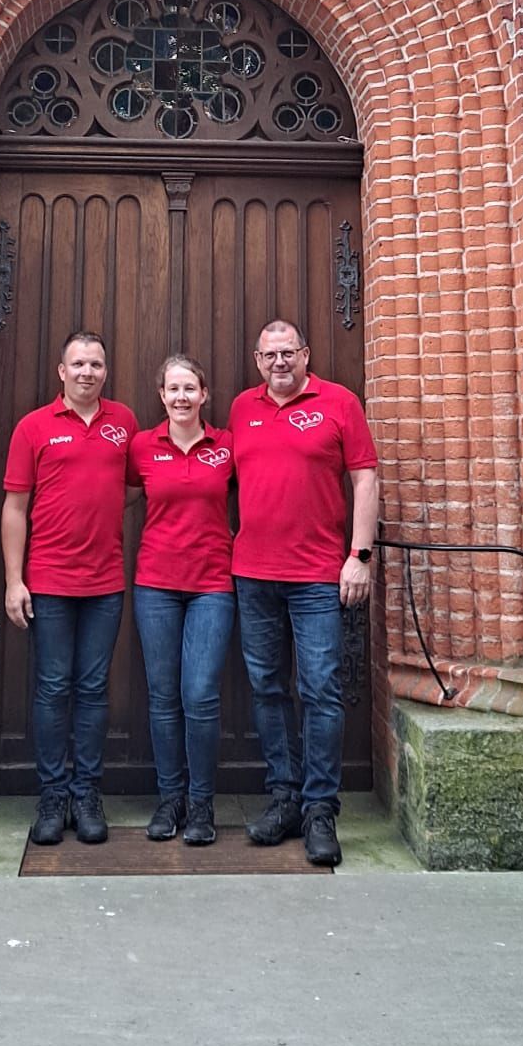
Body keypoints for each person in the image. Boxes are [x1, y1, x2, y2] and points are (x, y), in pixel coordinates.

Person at [229, 317, 378, 867]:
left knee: (320, 690)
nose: (279, 362)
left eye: (288, 352)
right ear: (257, 360)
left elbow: (365, 477)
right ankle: (285, 797)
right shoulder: (241, 408)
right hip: (253, 573)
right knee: (267, 689)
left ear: (306, 354)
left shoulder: (339, 403)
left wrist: (359, 556)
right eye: (269, 355)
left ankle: (320, 809)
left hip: (317, 575)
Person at [1, 330, 137, 846]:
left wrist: (94, 512)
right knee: (54, 687)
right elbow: (15, 508)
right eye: (78, 364)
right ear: (62, 371)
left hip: (104, 581)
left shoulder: (123, 423)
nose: (87, 372)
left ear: (106, 371)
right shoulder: (33, 427)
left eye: (95, 364)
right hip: (50, 581)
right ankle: (53, 794)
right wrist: (14, 581)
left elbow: (130, 488)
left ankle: (86, 792)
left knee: (94, 688)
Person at [128, 353, 237, 847]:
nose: (181, 397)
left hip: (213, 584)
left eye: (189, 388)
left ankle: (201, 803)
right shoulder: (142, 447)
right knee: (163, 696)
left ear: (204, 394)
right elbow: (119, 494)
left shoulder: (226, 446)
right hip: (156, 584)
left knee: (200, 694)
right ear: (161, 395)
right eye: (173, 389)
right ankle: (170, 798)